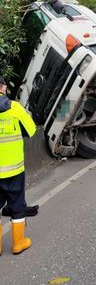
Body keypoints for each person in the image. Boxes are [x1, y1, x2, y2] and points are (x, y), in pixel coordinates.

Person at [0, 75, 37, 254]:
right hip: (14, 169)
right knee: (17, 204)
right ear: (3, 88)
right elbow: (31, 130)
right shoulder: (15, 108)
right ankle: (18, 243)